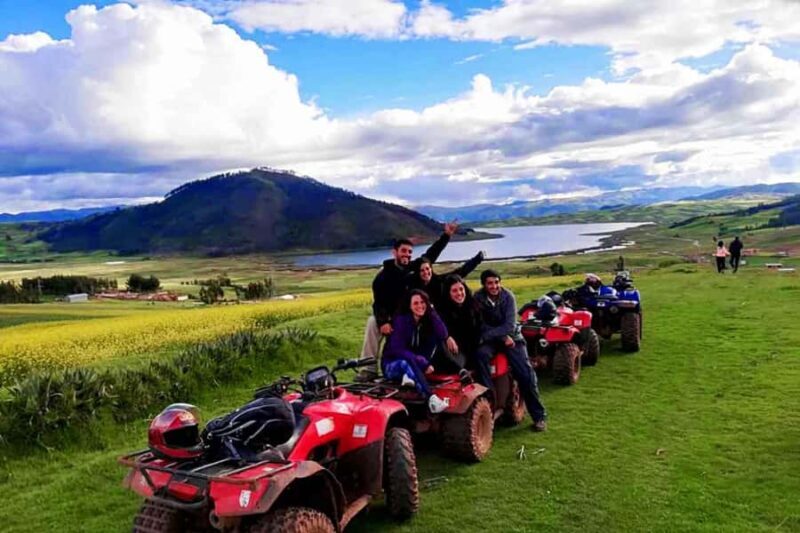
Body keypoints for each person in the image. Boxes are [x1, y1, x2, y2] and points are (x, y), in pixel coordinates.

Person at [359, 222, 458, 379]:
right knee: (372, 323)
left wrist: (446, 236)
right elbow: (378, 303)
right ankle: (368, 370)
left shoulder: (412, 268)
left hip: (411, 316)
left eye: (410, 252)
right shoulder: (382, 278)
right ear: (394, 252)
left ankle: (439, 364)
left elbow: (431, 255)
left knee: (433, 318)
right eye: (403, 251)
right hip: (392, 318)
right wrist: (383, 321)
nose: (407, 254)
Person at [474, 269, 548, 432]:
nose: (494, 286)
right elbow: (479, 323)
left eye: (496, 282)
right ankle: (490, 403)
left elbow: (509, 325)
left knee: (525, 374)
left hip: (512, 338)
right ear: (484, 285)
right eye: (490, 283)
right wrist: (501, 337)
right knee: (480, 356)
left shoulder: (508, 297)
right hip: (494, 340)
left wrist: (500, 335)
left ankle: (539, 416)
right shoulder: (478, 298)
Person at [382, 290, 453, 413]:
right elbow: (397, 350)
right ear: (409, 306)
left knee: (434, 339)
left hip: (412, 361)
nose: (420, 306)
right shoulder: (401, 321)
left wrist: (431, 311)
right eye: (415, 303)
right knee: (405, 362)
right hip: (392, 365)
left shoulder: (422, 320)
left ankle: (408, 376)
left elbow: (442, 332)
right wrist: (423, 363)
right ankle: (431, 399)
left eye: (422, 302)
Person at [407, 250, 485, 309]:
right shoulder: (412, 286)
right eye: (422, 270)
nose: (426, 272)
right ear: (417, 272)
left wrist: (477, 260)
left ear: (431, 269)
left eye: (427, 269)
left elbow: (460, 272)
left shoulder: (439, 281)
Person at [438, 275, 483, 372]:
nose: (459, 293)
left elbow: (479, 331)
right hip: (453, 351)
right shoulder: (442, 309)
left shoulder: (474, 306)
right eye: (454, 291)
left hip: (472, 350)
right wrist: (447, 336)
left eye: (461, 289)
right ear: (448, 293)